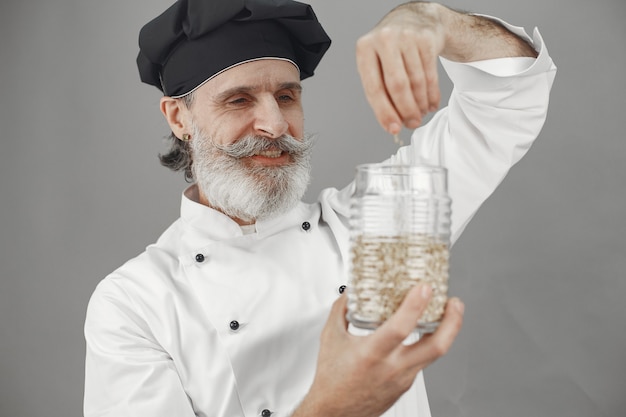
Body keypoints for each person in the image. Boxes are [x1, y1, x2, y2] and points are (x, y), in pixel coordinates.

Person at [83, 0, 556, 416]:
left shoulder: (377, 227)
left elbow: (508, 97)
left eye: (286, 96)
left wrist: (433, 19)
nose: (274, 123)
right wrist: (337, 408)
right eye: (239, 99)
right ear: (179, 117)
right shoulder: (136, 304)